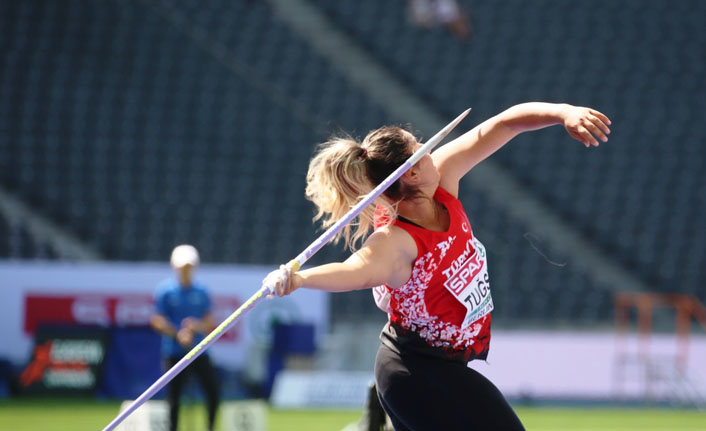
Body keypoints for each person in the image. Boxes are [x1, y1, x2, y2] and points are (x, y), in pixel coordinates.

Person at [264, 102, 611, 430]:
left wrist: (563, 112)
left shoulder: (442, 181)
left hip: (439, 366)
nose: (433, 153)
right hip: (414, 370)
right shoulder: (395, 242)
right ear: (412, 172)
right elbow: (356, 271)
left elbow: (503, 124)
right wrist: (296, 279)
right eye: (423, 149)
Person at [151, 244, 220, 431]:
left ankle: (211, 428)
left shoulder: (202, 291)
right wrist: (177, 333)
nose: (186, 271)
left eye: (189, 266)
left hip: (199, 351)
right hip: (173, 352)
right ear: (174, 267)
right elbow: (157, 320)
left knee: (213, 392)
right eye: (182, 267)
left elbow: (209, 322)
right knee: (173, 399)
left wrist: (196, 326)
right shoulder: (165, 291)